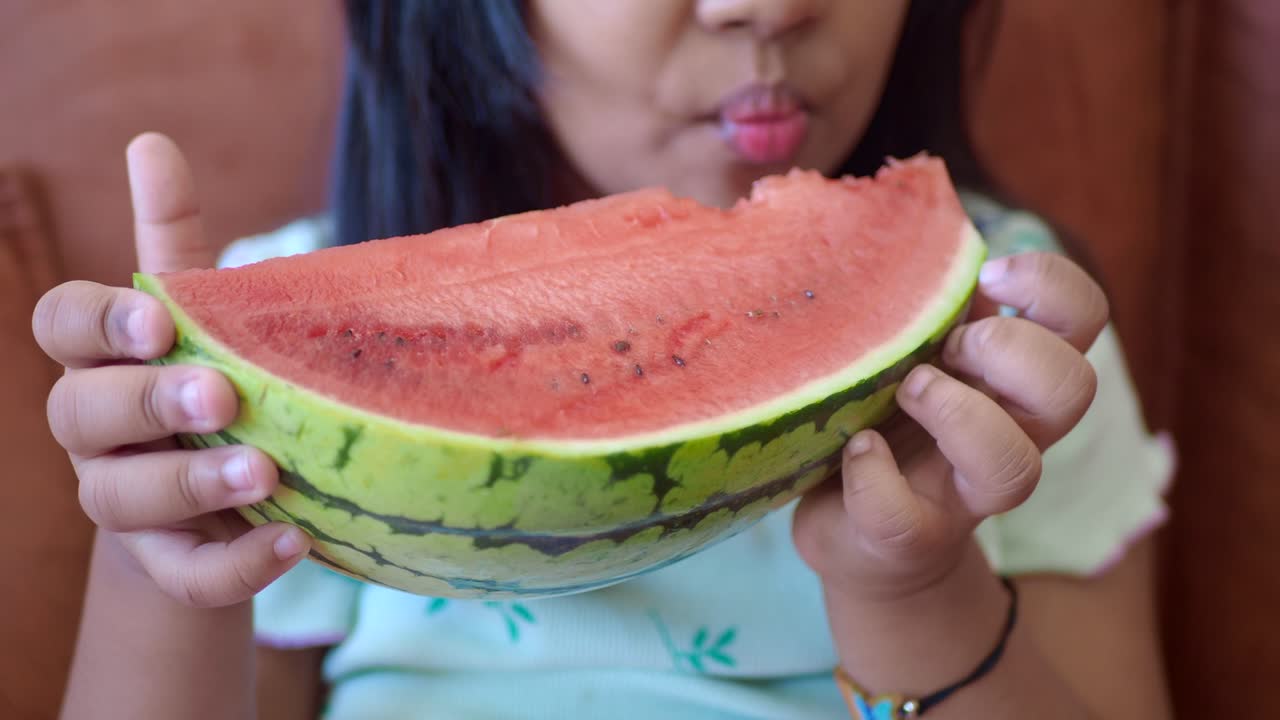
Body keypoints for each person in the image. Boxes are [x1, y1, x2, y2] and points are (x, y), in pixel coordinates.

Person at [37, 2, 1176, 718]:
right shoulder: (269, 369)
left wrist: (914, 588)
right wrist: (161, 567)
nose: (765, 10)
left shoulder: (1006, 344)